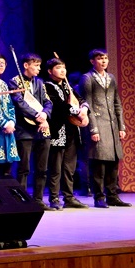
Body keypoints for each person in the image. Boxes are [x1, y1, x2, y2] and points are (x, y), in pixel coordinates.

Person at [80, 49, 131, 208]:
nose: (104, 61)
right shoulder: (87, 78)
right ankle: (99, 197)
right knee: (99, 163)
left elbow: (117, 102)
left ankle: (112, 196)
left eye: (106, 58)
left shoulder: (111, 78)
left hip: (112, 124)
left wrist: (121, 126)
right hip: (98, 123)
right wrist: (93, 129)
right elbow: (87, 103)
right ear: (92, 61)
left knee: (113, 162)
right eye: (100, 58)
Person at [8, 52, 53, 210]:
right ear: (26, 65)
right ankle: (22, 201)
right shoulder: (14, 82)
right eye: (36, 65)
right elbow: (19, 103)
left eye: (40, 65)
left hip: (42, 129)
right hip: (25, 130)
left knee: (42, 168)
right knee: (24, 168)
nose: (39, 68)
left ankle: (38, 199)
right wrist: (36, 115)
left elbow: (48, 102)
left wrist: (44, 114)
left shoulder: (40, 82)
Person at [44, 56, 89, 210]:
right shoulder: (47, 86)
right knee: (56, 167)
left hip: (72, 131)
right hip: (58, 131)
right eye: (58, 68)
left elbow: (81, 100)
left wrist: (84, 109)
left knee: (69, 168)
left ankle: (69, 197)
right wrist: (77, 111)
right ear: (50, 71)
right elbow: (58, 106)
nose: (62, 70)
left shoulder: (67, 86)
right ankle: (54, 198)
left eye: (63, 67)